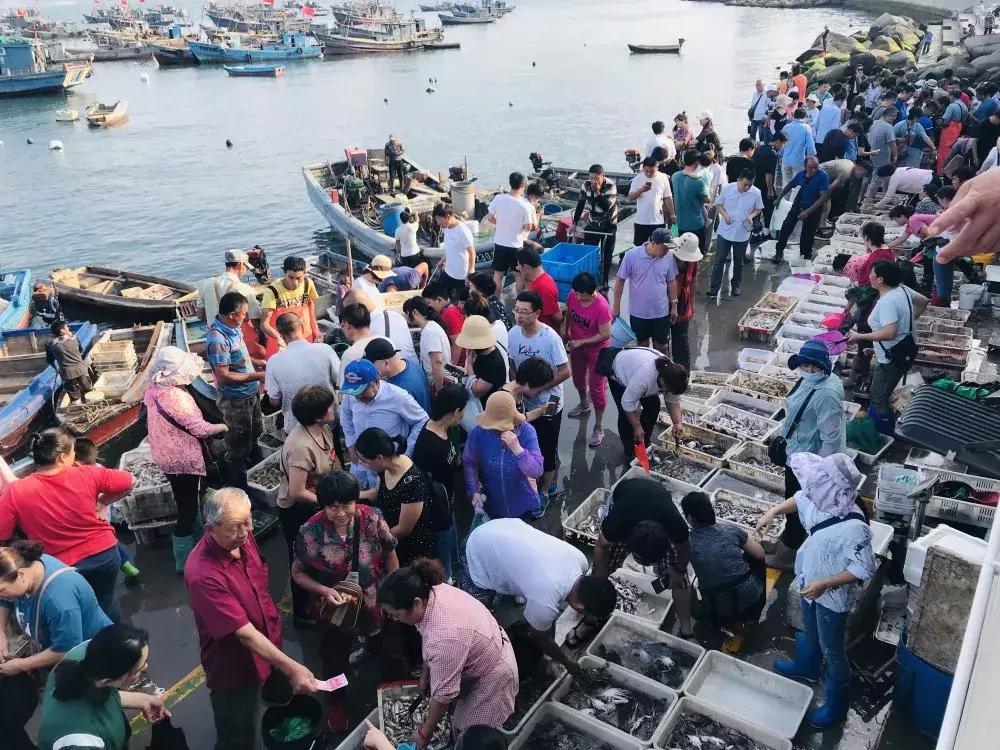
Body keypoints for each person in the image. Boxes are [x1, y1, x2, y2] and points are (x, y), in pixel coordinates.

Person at [185, 488, 316, 748]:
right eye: (234, 528)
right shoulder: (203, 574)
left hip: (270, 640)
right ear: (211, 528)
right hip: (236, 665)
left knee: (279, 697)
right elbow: (243, 633)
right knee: (237, 728)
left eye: (248, 521)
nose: (245, 533)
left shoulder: (243, 538)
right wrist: (293, 667)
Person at [757, 453, 877, 729]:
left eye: (818, 484)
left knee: (833, 650)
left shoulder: (856, 527)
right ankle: (807, 668)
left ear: (833, 488)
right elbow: (798, 499)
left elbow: (864, 569)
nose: (811, 489)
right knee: (810, 628)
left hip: (832, 595)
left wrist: (826, 583)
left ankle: (836, 706)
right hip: (809, 578)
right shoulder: (816, 496)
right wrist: (773, 512)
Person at [292, 471, 401, 730]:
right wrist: (323, 590)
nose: (341, 513)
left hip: (374, 602)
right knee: (334, 659)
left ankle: (392, 690)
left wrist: (392, 592)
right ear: (323, 506)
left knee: (386, 646)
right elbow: (298, 572)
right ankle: (337, 702)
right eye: (333, 507)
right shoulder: (310, 532)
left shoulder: (372, 518)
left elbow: (390, 554)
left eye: (347, 505)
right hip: (336, 609)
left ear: (356, 500)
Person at [378, 559, 519, 743]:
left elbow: (444, 695)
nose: (394, 620)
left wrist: (423, 734)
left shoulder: (445, 637)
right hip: (484, 650)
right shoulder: (434, 591)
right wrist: (425, 675)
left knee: (472, 737)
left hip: (493, 675)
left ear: (417, 603)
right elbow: (428, 637)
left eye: (396, 615)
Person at [0, 428, 132, 622]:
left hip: (62, 567)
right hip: (104, 555)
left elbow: (3, 534)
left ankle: (90, 646)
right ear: (62, 457)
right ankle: (120, 643)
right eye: (72, 452)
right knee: (107, 601)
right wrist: (104, 501)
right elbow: (129, 481)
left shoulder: (15, 491)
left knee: (75, 611)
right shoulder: (87, 473)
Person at [461, 518, 617, 672]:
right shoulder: (545, 601)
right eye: (587, 614)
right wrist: (566, 662)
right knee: (479, 611)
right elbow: (541, 638)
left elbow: (547, 622)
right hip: (479, 547)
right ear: (579, 606)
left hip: (504, 527)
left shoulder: (580, 559)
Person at [0, 540, 113, 749]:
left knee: (88, 701)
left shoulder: (59, 600)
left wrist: (21, 665)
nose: (2, 595)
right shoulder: (25, 569)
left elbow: (64, 651)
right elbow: (5, 601)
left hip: (88, 657)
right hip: (52, 646)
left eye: (2, 590)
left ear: (21, 575)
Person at [764, 338, 848, 569]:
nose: (809, 371)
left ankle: (788, 556)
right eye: (805, 366)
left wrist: (820, 472)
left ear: (824, 366)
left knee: (798, 506)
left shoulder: (827, 394)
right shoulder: (813, 381)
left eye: (815, 367)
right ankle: (789, 545)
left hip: (808, 461)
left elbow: (830, 438)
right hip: (797, 451)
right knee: (796, 502)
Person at [145, 346, 229, 572]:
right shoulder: (175, 397)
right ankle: (185, 562)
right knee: (187, 509)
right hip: (182, 461)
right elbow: (199, 429)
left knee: (188, 499)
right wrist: (221, 426)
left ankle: (199, 540)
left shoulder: (154, 389)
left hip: (165, 457)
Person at [37, 623, 169, 750]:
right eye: (138, 669)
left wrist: (142, 700)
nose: (146, 666)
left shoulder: (88, 654)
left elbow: (103, 694)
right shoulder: (81, 742)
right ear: (108, 680)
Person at [593, 476, 695, 637]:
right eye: (642, 561)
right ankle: (593, 615)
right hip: (627, 492)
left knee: (681, 582)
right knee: (603, 569)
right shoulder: (617, 523)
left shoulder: (674, 524)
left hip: (658, 498)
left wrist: (679, 570)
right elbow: (601, 547)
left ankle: (686, 629)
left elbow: (686, 546)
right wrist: (598, 581)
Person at [277, 385, 340, 626]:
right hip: (297, 510)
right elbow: (297, 491)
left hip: (318, 501)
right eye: (329, 406)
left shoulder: (323, 430)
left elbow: (333, 461)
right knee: (301, 559)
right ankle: (303, 613)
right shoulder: (300, 446)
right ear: (318, 415)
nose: (333, 408)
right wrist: (332, 503)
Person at [848, 262, 928, 431]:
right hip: (904, 349)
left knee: (878, 398)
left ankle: (884, 433)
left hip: (891, 359)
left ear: (880, 279)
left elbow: (889, 333)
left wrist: (859, 336)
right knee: (883, 392)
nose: (869, 276)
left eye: (872, 273)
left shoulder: (887, 302)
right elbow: (923, 301)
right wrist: (907, 323)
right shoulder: (903, 289)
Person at [508, 291, 570, 499]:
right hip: (525, 402)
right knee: (528, 444)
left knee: (547, 447)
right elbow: (512, 365)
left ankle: (545, 490)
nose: (519, 316)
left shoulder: (550, 338)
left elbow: (565, 372)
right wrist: (517, 390)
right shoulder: (513, 333)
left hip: (549, 401)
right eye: (517, 311)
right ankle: (533, 479)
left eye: (525, 312)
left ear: (537, 313)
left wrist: (538, 389)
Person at [206, 291, 265, 490]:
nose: (246, 318)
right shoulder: (217, 339)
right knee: (238, 444)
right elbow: (223, 376)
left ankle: (257, 471)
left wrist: (258, 362)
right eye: (243, 314)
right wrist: (257, 376)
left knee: (256, 432)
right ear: (232, 314)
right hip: (235, 400)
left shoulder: (235, 328)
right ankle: (240, 485)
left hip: (251, 392)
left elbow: (240, 358)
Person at [340, 355, 428, 484]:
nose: (357, 397)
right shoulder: (352, 393)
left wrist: (406, 451)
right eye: (354, 393)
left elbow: (422, 420)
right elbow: (345, 414)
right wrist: (350, 441)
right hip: (360, 463)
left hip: (387, 465)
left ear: (376, 382)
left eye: (362, 391)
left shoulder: (398, 396)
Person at [681, 492, 766, 625]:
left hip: (717, 609)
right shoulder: (730, 529)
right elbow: (760, 554)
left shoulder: (687, 542)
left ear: (690, 518)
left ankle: (712, 622)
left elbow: (680, 575)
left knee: (684, 586)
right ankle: (752, 617)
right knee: (753, 554)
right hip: (752, 600)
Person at [412, 384, 467, 581]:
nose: (463, 416)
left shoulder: (448, 430)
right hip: (436, 507)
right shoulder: (430, 444)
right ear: (455, 411)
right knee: (442, 544)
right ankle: (446, 580)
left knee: (451, 539)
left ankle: (453, 567)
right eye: (463, 411)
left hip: (447, 500)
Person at [462, 391, 543, 520]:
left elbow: (537, 471)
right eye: (493, 427)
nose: (497, 431)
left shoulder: (527, 432)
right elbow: (469, 463)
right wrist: (474, 490)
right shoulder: (479, 433)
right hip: (493, 505)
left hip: (521, 505)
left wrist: (518, 450)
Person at [73, 439, 139, 583]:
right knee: (110, 542)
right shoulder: (99, 468)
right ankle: (129, 568)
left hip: (93, 521)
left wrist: (101, 502)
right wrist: (104, 501)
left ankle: (127, 567)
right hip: (104, 518)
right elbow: (127, 483)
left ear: (76, 463)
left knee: (105, 545)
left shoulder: (83, 476)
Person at [605, 346, 688, 458]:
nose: (669, 393)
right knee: (626, 417)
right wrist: (637, 426)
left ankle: (643, 442)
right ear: (663, 382)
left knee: (653, 406)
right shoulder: (644, 379)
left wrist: (677, 423)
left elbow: (673, 400)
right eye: (668, 390)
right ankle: (629, 451)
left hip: (638, 370)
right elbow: (627, 403)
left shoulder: (674, 376)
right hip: (619, 371)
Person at [265, 311, 341, 432]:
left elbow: (274, 400)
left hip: (297, 427)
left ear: (280, 333)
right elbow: (340, 380)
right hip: (327, 420)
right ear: (302, 325)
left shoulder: (274, 362)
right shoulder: (325, 350)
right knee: (333, 450)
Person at [563, 271, 611, 447]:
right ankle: (584, 403)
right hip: (576, 346)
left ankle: (599, 426)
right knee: (577, 378)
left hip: (597, 350)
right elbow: (569, 312)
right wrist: (566, 329)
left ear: (591, 292)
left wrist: (582, 341)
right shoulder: (573, 296)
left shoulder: (601, 307)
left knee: (597, 388)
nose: (577, 296)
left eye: (581, 294)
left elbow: (605, 334)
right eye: (575, 292)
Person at [613, 227, 679, 352]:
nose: (667, 250)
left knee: (662, 347)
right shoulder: (632, 256)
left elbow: (671, 281)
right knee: (642, 346)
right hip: (638, 312)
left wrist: (674, 305)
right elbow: (620, 281)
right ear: (653, 243)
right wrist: (616, 307)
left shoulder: (669, 257)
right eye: (665, 247)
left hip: (661, 311)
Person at [196, 249, 264, 359]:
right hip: (241, 340)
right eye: (246, 267)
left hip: (214, 338)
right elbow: (256, 320)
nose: (245, 271)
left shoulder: (205, 284)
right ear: (241, 264)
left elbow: (200, 315)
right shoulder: (244, 289)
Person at [709, 169, 764, 298]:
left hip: (742, 233)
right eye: (745, 184)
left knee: (739, 262)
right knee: (719, 260)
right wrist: (725, 215)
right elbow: (719, 205)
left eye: (750, 185)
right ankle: (713, 288)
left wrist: (751, 215)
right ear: (739, 180)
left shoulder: (756, 193)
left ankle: (736, 286)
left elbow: (759, 208)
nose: (747, 187)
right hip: (725, 231)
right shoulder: (728, 189)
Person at [772, 156, 830, 262]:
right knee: (786, 226)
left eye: (816, 167)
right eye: (810, 167)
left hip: (814, 207)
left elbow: (823, 198)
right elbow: (789, 185)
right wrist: (779, 199)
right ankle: (779, 251)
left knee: (808, 233)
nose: (813, 170)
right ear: (805, 167)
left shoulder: (823, 176)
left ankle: (805, 255)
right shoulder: (800, 175)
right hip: (799, 204)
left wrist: (808, 212)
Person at [260, 256, 320, 357]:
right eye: (290, 277)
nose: (295, 283)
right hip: (281, 340)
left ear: (305, 273)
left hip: (305, 336)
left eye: (299, 278)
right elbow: (264, 324)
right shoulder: (272, 292)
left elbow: (310, 306)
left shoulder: (308, 284)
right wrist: (279, 338)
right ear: (284, 273)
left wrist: (316, 330)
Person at [487, 172, 537, 291]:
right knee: (518, 275)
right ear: (523, 185)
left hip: (500, 243)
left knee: (498, 275)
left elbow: (490, 217)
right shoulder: (525, 204)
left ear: (510, 183)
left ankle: (495, 301)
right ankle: (519, 302)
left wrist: (500, 224)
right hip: (516, 245)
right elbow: (529, 226)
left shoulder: (499, 198)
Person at [572, 164, 619, 286]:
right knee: (589, 251)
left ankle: (604, 282)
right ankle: (589, 280)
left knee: (606, 254)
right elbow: (581, 203)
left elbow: (605, 206)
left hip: (609, 223)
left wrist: (597, 192)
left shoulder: (610, 185)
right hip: (593, 222)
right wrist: (574, 223)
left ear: (603, 176)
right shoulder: (586, 185)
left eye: (596, 178)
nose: (593, 181)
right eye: (591, 178)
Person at [365, 337, 430, 413]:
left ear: (386, 363)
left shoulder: (397, 390)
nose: (369, 368)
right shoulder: (410, 362)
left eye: (371, 364)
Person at [456, 315, 508, 408]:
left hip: (489, 408)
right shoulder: (482, 353)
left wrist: (469, 365)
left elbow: (477, 391)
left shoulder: (493, 363)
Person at [404, 296, 453, 393]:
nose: (406, 317)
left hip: (439, 381)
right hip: (442, 378)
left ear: (414, 312)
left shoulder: (429, 332)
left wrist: (439, 391)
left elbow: (437, 362)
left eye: (406, 313)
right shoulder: (431, 326)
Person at [433, 204, 476, 300]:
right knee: (439, 295)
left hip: (461, 275)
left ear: (448, 217)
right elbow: (449, 247)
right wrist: (443, 260)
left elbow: (472, 252)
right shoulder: (446, 228)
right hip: (448, 272)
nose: (438, 223)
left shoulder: (463, 231)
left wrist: (470, 273)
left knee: (463, 301)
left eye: (439, 219)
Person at [629, 156, 675, 245]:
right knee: (639, 248)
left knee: (659, 247)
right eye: (646, 171)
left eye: (652, 171)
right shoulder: (637, 179)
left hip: (658, 220)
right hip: (641, 220)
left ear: (657, 168)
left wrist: (672, 214)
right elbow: (631, 196)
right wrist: (641, 190)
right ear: (643, 168)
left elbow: (668, 197)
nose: (649, 174)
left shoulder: (663, 178)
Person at [671, 149, 711, 250]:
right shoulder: (698, 181)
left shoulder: (675, 176)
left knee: (683, 254)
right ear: (697, 162)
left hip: (681, 223)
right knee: (697, 254)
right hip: (696, 224)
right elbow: (707, 200)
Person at [45, 320, 91, 404]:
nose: (68, 328)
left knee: (73, 392)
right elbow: (81, 350)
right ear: (62, 331)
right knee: (86, 387)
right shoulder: (74, 338)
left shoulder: (50, 344)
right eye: (66, 327)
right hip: (80, 369)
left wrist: (56, 368)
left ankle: (78, 405)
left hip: (66, 373)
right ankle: (89, 400)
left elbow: (49, 360)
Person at [516, 248, 562, 328]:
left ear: (526, 267)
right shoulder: (542, 279)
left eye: (519, 267)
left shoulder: (542, 287)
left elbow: (558, 318)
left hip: (543, 334)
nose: (518, 270)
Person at [422, 282, 466, 363]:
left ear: (439, 300)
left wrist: (453, 365)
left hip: (460, 361)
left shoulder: (450, 313)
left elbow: (457, 344)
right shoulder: (445, 310)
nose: (428, 307)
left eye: (429, 303)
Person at [753, 131, 781, 232]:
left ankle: (755, 234)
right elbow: (768, 174)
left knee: (756, 211)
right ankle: (766, 233)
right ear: (778, 141)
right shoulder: (772, 154)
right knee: (768, 210)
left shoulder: (759, 149)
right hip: (765, 186)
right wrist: (770, 190)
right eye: (782, 144)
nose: (782, 146)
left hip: (755, 184)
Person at [780, 108, 817, 185]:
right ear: (804, 117)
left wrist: (780, 155)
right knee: (797, 187)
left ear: (794, 116)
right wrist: (812, 156)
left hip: (786, 160)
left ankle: (784, 197)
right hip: (798, 161)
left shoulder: (786, 126)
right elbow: (810, 147)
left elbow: (781, 144)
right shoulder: (806, 127)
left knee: (786, 185)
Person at [937, 90, 967, 173]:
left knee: (944, 151)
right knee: (953, 149)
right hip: (958, 128)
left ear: (953, 96)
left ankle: (941, 171)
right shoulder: (964, 105)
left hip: (949, 130)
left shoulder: (952, 106)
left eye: (949, 96)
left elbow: (945, 120)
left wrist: (939, 122)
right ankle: (949, 171)